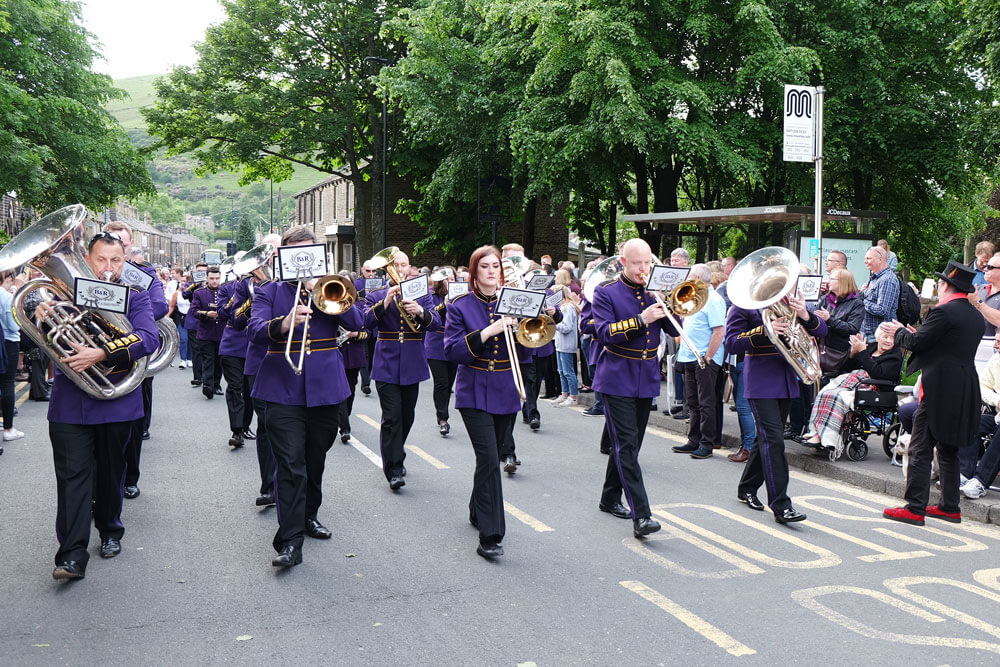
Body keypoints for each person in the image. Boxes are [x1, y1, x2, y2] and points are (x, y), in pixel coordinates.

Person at [46, 231, 159, 580]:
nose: (109, 268)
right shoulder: (62, 294)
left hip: (117, 400)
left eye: (116, 261)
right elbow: (42, 337)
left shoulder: (136, 298)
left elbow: (149, 338)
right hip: (71, 401)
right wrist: (42, 313)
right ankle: (72, 554)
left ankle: (110, 529)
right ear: (87, 259)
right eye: (101, 260)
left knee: (111, 474)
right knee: (72, 478)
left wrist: (104, 352)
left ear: (124, 262)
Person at [248, 226, 364, 567]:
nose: (302, 261)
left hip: (326, 388)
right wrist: (284, 324)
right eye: (296, 254)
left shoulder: (333, 287)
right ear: (284, 257)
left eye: (308, 253)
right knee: (291, 465)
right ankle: (290, 541)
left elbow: (357, 322)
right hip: (281, 387)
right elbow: (255, 331)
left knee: (315, 461)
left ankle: (309, 516)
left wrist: (322, 292)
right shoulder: (270, 291)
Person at [882, 260, 984, 525]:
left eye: (940, 283)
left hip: (940, 387)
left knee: (920, 447)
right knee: (948, 447)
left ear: (946, 285)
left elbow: (916, 342)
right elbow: (945, 345)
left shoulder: (944, 312)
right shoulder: (973, 314)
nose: (938, 287)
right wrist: (918, 334)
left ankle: (915, 508)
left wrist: (900, 332)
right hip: (964, 384)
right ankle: (950, 506)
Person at [444, 245, 530, 559]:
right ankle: (491, 535)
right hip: (474, 390)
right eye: (485, 266)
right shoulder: (460, 306)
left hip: (506, 388)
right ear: (474, 272)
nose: (492, 271)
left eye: (496, 266)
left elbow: (529, 349)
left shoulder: (514, 300)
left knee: (489, 461)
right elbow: (452, 351)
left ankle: (476, 509)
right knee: (490, 458)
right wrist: (489, 330)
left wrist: (531, 322)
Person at [592, 238, 679, 538]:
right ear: (623, 261)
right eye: (637, 263)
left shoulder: (654, 291)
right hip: (616, 375)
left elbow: (673, 328)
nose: (643, 269)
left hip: (646, 375)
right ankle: (642, 515)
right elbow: (604, 333)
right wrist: (641, 320)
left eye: (647, 263)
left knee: (630, 445)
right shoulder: (606, 292)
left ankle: (609, 497)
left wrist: (669, 304)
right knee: (627, 447)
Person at [726, 285, 827, 524]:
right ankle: (781, 505)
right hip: (761, 380)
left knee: (767, 439)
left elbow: (822, 331)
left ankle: (747, 488)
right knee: (774, 440)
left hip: (786, 379)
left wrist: (805, 315)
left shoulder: (790, 302)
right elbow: (731, 343)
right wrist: (765, 329)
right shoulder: (745, 304)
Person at [102, 221, 169, 500]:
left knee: (133, 421)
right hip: (97, 353)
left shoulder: (143, 274)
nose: (118, 245)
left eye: (123, 243)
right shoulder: (90, 274)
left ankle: (130, 477)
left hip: (133, 353)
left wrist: (130, 310)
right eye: (112, 240)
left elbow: (162, 306)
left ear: (129, 247)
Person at [364, 250, 440, 490]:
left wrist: (419, 311)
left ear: (410, 268)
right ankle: (394, 468)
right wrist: (385, 301)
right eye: (395, 264)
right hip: (386, 359)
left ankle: (397, 450)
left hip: (412, 360)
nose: (399, 268)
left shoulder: (423, 294)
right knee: (392, 416)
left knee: (407, 415)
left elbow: (436, 323)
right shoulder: (376, 294)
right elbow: (365, 322)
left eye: (403, 264)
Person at [227, 234, 281, 507]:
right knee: (267, 424)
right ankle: (269, 486)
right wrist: (257, 294)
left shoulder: (299, 282)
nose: (269, 259)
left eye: (273, 252)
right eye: (267, 254)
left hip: (292, 361)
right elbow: (235, 320)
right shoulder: (245, 286)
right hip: (259, 360)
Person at [802, 327, 903, 452]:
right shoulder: (871, 347)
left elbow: (878, 373)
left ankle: (828, 438)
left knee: (837, 397)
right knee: (824, 393)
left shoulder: (895, 356)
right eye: (885, 336)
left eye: (892, 337)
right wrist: (853, 353)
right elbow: (846, 367)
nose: (888, 340)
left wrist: (862, 352)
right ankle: (817, 432)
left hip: (874, 388)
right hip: (852, 381)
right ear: (878, 337)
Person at [670, 264, 727, 459]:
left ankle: (706, 443)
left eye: (691, 277)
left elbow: (719, 331)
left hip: (704, 357)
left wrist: (709, 356)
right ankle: (693, 440)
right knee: (693, 402)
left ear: (700, 279)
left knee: (706, 402)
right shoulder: (695, 297)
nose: (688, 280)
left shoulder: (714, 300)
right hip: (689, 355)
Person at [217, 267, 254, 449]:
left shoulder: (264, 285)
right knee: (235, 387)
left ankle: (245, 426)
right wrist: (239, 294)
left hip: (254, 346)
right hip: (232, 345)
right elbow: (224, 314)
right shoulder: (226, 288)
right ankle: (237, 431)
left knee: (250, 390)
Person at [813, 268, 864, 376]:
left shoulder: (856, 303)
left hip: (839, 353)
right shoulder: (826, 298)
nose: (828, 281)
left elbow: (852, 328)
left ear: (842, 282)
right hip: (821, 349)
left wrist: (829, 319)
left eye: (832, 279)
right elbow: (814, 318)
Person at [425, 270, 456, 436]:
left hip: (453, 342)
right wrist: (445, 303)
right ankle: (442, 418)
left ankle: (443, 411)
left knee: (449, 383)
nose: (451, 281)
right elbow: (432, 315)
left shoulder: (460, 295)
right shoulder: (431, 296)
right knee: (441, 382)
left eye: (453, 278)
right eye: (448, 279)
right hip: (436, 343)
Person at [191, 267, 225, 400]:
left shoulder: (225, 291)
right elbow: (193, 310)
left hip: (222, 333)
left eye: (217, 278)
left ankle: (217, 384)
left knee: (220, 361)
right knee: (208, 360)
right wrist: (206, 314)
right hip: (206, 333)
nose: (215, 281)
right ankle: (208, 385)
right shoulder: (199, 293)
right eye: (212, 278)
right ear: (206, 278)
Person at [0, 271, 23, 442]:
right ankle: (8, 428)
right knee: (8, 384)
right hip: (8, 343)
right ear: (7, 279)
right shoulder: (7, 297)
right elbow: (14, 326)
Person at [860, 246, 899, 341]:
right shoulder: (876, 277)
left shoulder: (887, 280)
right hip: (868, 332)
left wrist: (861, 300)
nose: (865, 261)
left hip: (878, 335)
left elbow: (882, 310)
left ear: (880, 259)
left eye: (868, 258)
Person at [551, 287, 580, 407]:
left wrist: (553, 324)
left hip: (567, 344)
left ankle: (573, 397)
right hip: (560, 343)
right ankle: (564, 394)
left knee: (568, 372)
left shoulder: (568, 307)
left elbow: (567, 327)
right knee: (561, 371)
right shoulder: (563, 307)